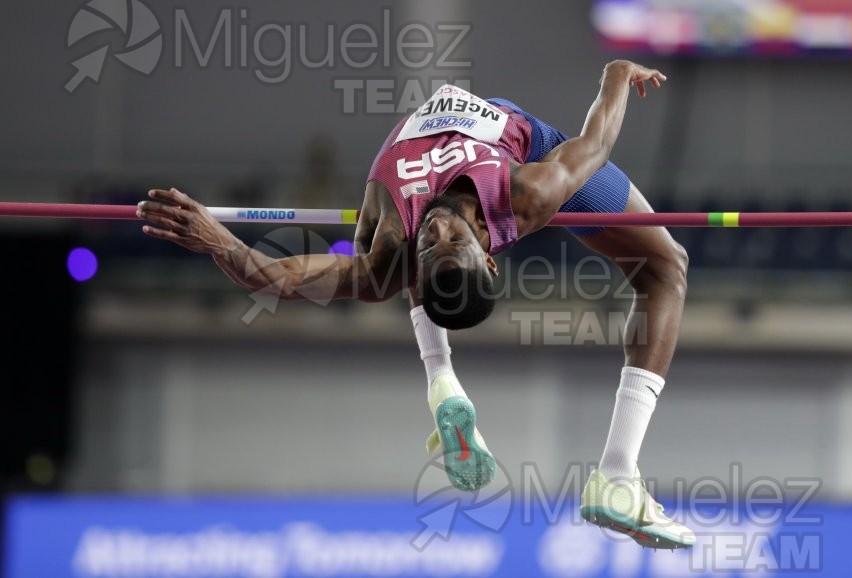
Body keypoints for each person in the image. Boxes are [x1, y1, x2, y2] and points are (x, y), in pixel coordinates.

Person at [137, 59, 693, 549]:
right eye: (453, 241)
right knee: (667, 268)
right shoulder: (527, 194)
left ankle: (443, 379)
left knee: (382, 253)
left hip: (410, 160)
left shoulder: (396, 256)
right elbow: (594, 144)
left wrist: (219, 239)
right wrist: (617, 76)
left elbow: (277, 278)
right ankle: (617, 474)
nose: (441, 227)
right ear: (491, 252)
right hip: (521, 141)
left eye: (436, 244)